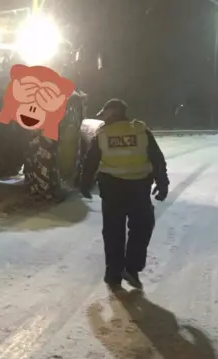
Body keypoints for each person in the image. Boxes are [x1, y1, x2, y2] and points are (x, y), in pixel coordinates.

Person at [79, 98, 169, 290]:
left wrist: (84, 184)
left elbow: (90, 161)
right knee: (142, 228)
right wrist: (162, 183)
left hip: (112, 191)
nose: (103, 119)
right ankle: (132, 268)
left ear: (111, 113)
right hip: (139, 189)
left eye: (104, 114)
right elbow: (157, 159)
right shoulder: (140, 131)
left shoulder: (102, 134)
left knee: (113, 232)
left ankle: (113, 274)